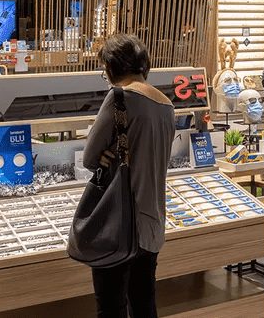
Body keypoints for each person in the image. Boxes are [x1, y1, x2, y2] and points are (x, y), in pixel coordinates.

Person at [81, 34, 175, 318]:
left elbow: (89, 158)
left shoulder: (120, 97)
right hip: (152, 220)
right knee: (144, 302)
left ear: (111, 67)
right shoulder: (166, 104)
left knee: (111, 306)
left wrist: (106, 154)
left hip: (118, 222)